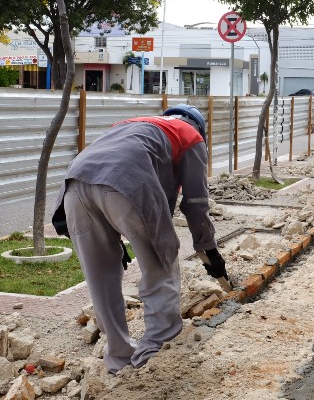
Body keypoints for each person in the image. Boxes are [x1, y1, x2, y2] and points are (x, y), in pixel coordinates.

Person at [51, 104, 228, 374]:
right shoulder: (190, 136)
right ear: (199, 127)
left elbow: (153, 194)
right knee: (162, 263)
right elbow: (196, 203)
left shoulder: (133, 126)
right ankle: (155, 355)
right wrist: (209, 249)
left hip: (74, 187)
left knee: (101, 278)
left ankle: (119, 359)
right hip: (125, 181)